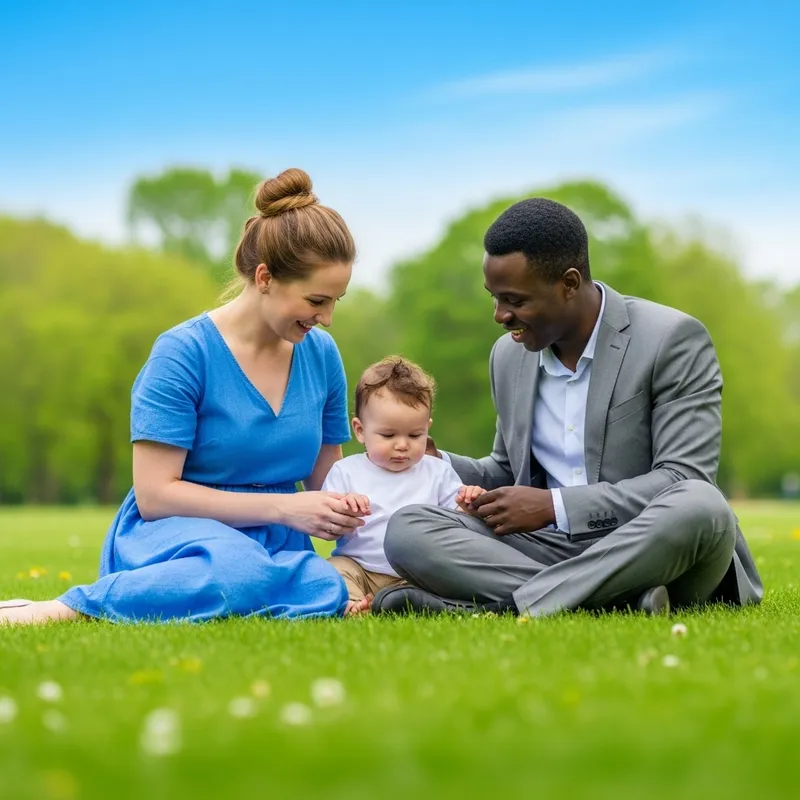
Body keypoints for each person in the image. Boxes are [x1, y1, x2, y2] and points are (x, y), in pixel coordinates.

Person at [0, 168, 370, 626]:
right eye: (317, 301)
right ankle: (59, 610)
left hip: (275, 538)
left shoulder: (322, 355)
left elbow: (325, 479)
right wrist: (284, 508)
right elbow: (155, 495)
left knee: (324, 584)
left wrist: (366, 502)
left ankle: (281, 584)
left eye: (337, 301)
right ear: (265, 277)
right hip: (174, 533)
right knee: (238, 569)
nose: (328, 318)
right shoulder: (184, 352)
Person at [372, 198, 763, 617]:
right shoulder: (508, 356)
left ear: (570, 283)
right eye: (494, 298)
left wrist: (553, 506)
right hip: (547, 547)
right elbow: (507, 470)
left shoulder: (672, 339)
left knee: (701, 504)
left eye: (515, 300)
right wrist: (440, 460)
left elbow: (681, 477)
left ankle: (512, 604)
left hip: (651, 543)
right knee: (410, 529)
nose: (500, 316)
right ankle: (614, 601)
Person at [322, 356, 485, 606]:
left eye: (415, 434)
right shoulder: (345, 471)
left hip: (416, 573)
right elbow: (326, 526)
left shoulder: (437, 471)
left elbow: (457, 524)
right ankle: (354, 604)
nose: (402, 445)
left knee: (449, 576)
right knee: (333, 569)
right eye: (388, 435)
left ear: (427, 428)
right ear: (360, 430)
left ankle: (416, 601)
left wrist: (468, 505)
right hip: (360, 568)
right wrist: (344, 508)